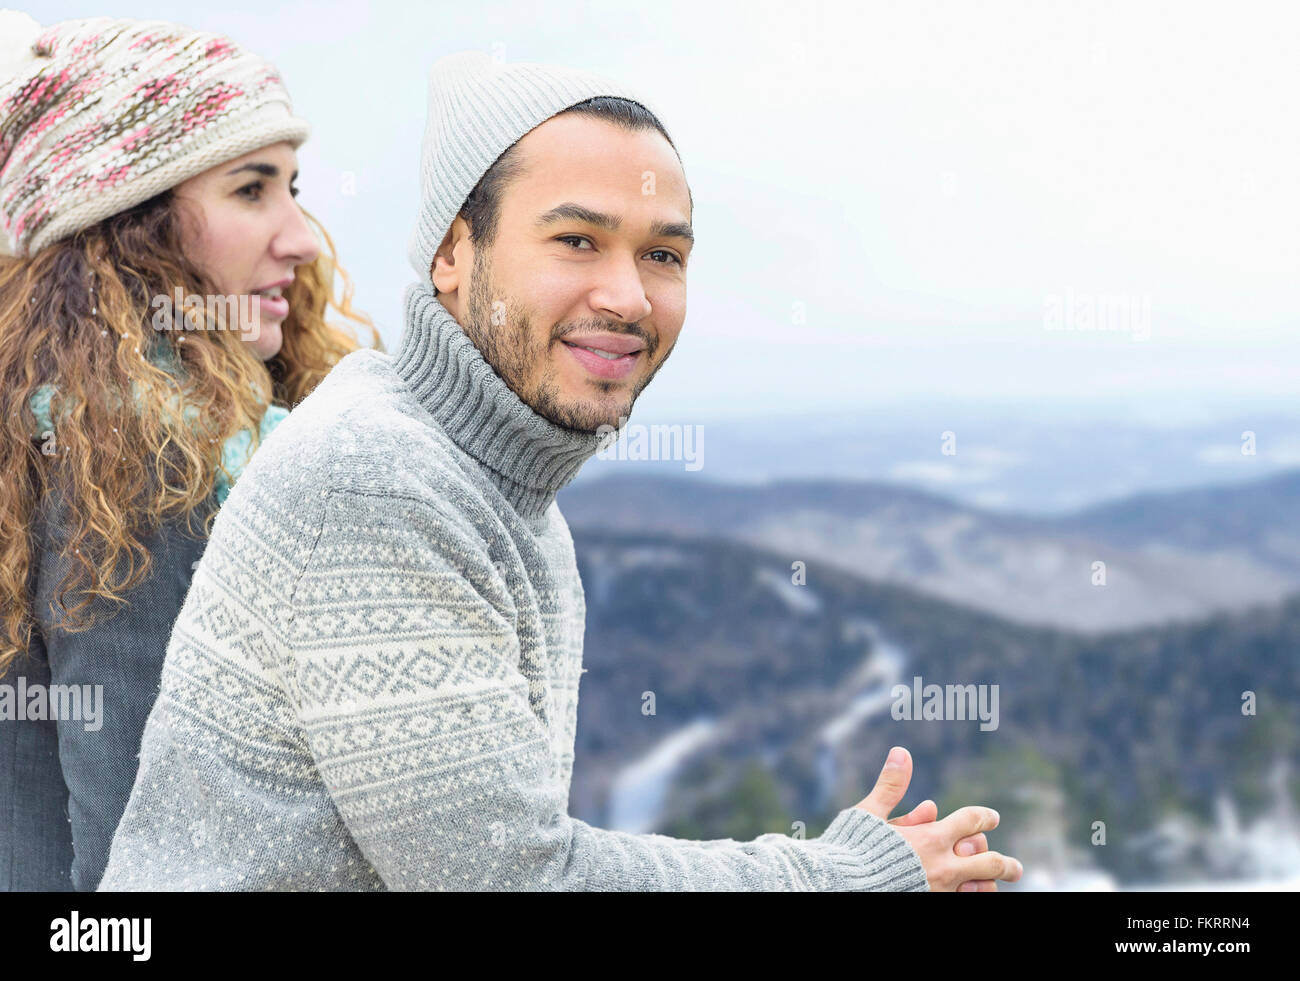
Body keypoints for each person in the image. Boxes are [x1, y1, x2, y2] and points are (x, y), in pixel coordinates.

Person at [100, 50, 1022, 891]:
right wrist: (840, 878)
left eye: (662, 254)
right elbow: (514, 878)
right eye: (577, 240)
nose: (627, 295)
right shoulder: (374, 475)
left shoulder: (505, 492)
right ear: (453, 254)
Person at [0, 11, 379, 891]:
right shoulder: (133, 461)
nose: (300, 237)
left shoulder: (62, 435)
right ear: (130, 229)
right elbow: (144, 852)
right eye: (251, 189)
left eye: (292, 186)